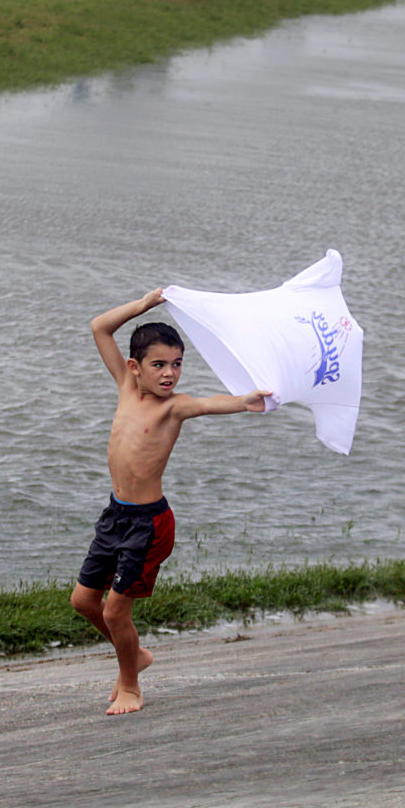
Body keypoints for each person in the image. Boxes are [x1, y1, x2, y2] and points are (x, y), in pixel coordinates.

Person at [75, 288, 267, 715]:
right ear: (134, 367)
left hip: (149, 524)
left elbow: (207, 403)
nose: (170, 374)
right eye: (159, 365)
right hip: (115, 515)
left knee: (114, 613)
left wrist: (243, 401)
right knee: (84, 603)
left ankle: (130, 686)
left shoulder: (173, 408)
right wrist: (144, 304)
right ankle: (135, 654)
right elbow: (99, 327)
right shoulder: (126, 387)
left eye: (177, 364)